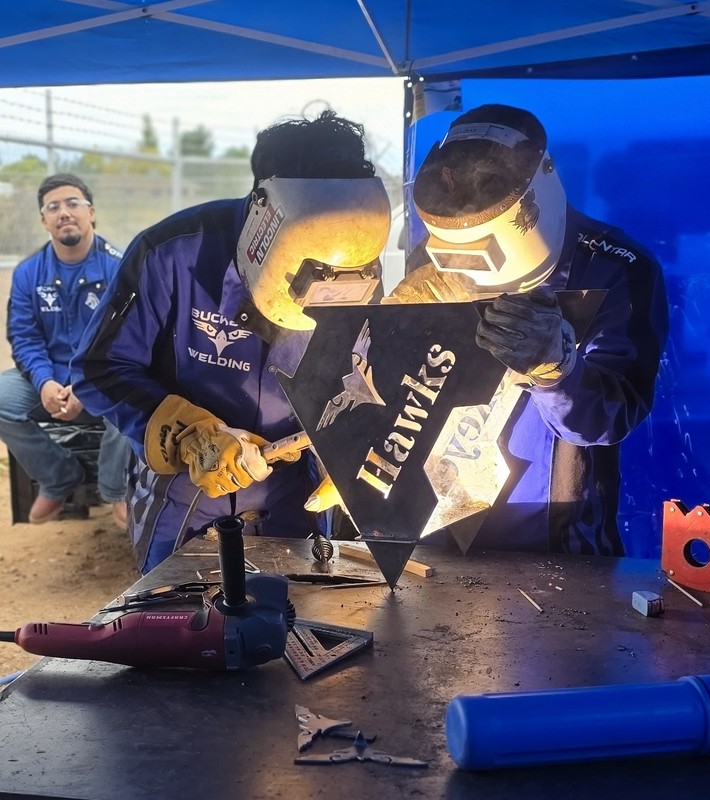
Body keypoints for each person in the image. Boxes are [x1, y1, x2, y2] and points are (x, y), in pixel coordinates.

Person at [70, 111, 391, 573]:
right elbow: (98, 368)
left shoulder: (357, 258)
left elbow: (364, 372)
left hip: (295, 497)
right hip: (186, 496)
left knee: (302, 627)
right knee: (178, 623)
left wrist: (353, 443)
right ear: (265, 214)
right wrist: (188, 433)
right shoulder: (171, 252)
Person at [389, 103, 669, 555]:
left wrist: (556, 370)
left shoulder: (615, 267)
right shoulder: (433, 253)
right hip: (441, 531)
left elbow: (613, 415)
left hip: (556, 538)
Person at [0, 173, 131, 527]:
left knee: (139, 394)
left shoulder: (120, 266)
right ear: (44, 220)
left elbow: (128, 338)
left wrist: (86, 385)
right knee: (2, 398)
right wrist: (43, 382)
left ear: (91, 213)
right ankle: (59, 479)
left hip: (106, 376)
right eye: (53, 207)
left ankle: (115, 489)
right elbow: (24, 337)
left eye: (73, 203)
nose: (64, 212)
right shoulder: (29, 273)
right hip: (51, 378)